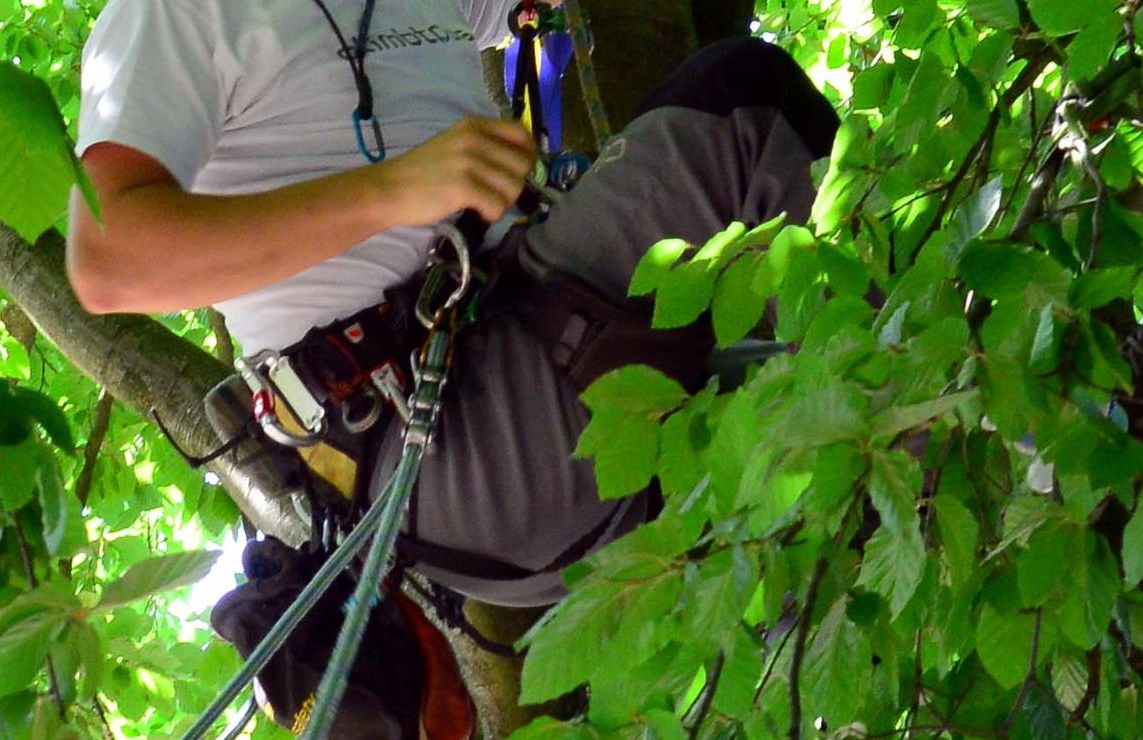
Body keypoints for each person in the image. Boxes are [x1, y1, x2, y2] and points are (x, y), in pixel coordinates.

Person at [67, 0, 840, 608]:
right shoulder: (174, 12)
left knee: (800, 418)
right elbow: (109, 261)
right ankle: (916, 402)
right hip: (440, 440)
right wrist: (393, 192)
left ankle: (873, 490)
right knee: (744, 101)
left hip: (532, 358)